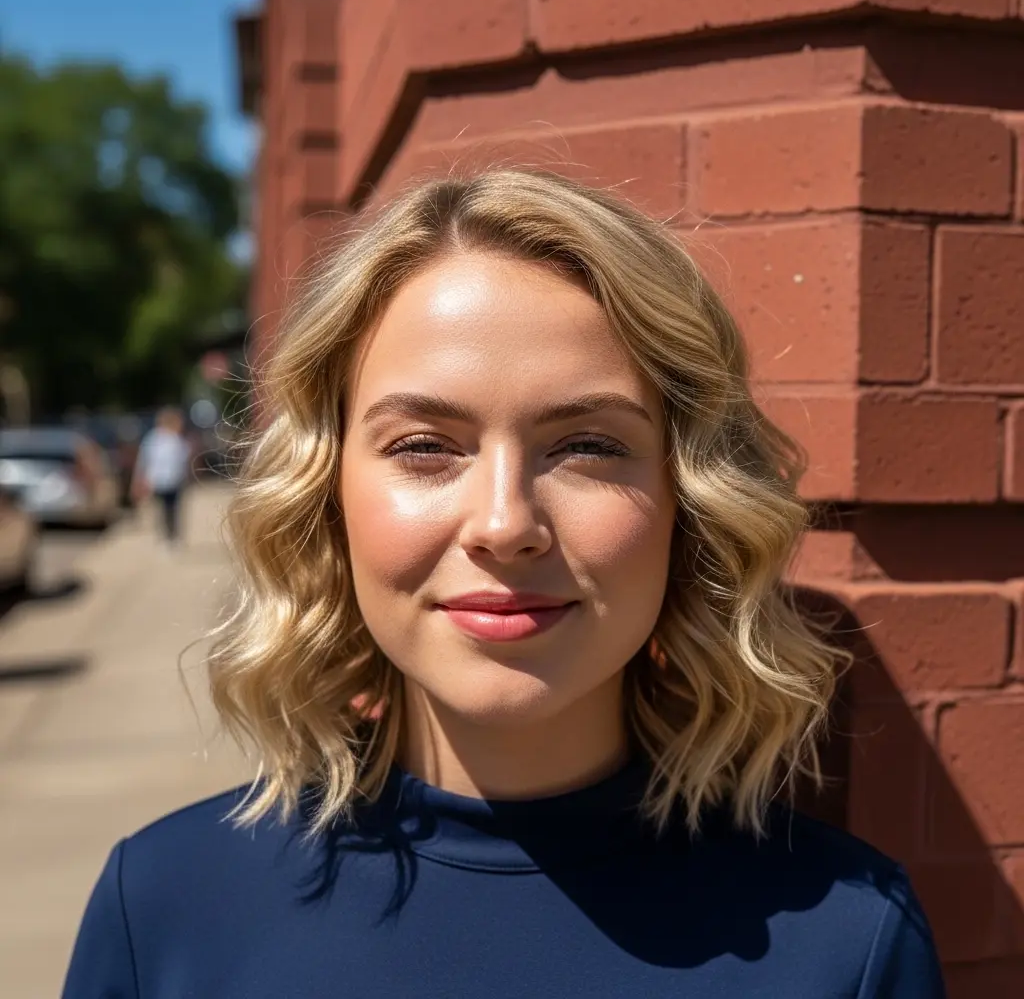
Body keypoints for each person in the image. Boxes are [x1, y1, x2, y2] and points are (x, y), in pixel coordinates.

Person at [63, 169, 946, 998]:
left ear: (689, 501)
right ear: (326, 497)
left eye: (588, 446)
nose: (502, 524)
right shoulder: (165, 907)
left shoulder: (849, 942)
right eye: (423, 447)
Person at [130, 407, 192, 543]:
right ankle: (164, 535)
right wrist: (140, 480)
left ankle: (173, 535)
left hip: (174, 481)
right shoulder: (153, 439)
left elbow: (183, 460)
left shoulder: (177, 439)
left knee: (173, 510)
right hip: (158, 481)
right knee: (161, 510)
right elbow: (144, 460)